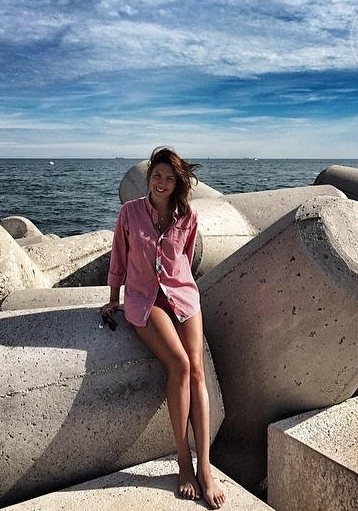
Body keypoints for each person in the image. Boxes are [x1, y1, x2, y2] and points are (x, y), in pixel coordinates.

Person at [100, 146, 226, 509]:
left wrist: (178, 289)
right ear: (149, 177)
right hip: (145, 299)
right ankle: (183, 461)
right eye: (157, 175)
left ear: (178, 183)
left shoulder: (188, 215)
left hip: (183, 296)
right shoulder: (129, 212)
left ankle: (205, 466)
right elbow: (119, 256)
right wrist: (113, 297)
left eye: (169, 178)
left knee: (198, 371)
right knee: (180, 365)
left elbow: (185, 258)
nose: (162, 183)